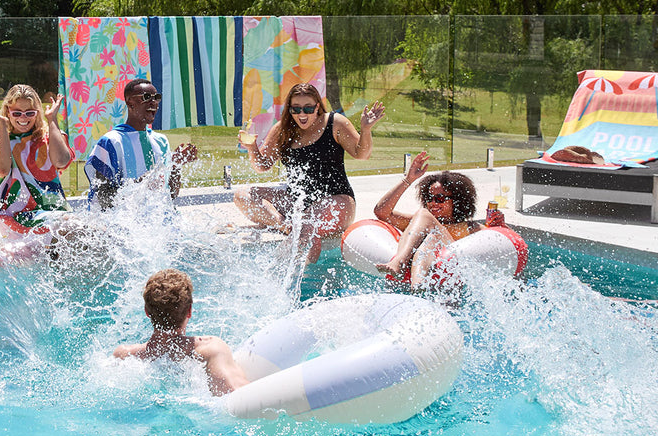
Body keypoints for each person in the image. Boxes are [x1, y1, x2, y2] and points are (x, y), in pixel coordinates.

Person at [233, 83, 385, 263]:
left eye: (308, 108)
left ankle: (280, 270)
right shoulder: (283, 129)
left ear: (317, 107)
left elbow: (362, 154)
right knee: (242, 195)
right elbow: (263, 165)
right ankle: (284, 224)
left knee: (306, 225)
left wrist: (366, 130)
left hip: (335, 202)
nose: (302, 114)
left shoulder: (335, 123)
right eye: (296, 109)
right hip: (297, 201)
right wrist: (252, 147)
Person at [113, 268, 249, 396]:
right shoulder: (211, 350)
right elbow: (240, 397)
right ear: (189, 311)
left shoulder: (124, 355)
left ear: (147, 312)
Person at [373, 152, 484, 288]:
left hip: (451, 281)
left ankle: (400, 262)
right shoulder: (418, 224)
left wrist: (500, 224)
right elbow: (381, 211)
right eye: (429, 198)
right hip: (430, 285)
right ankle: (418, 286)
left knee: (427, 222)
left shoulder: (471, 227)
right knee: (431, 238)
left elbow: (503, 243)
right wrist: (408, 179)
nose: (433, 203)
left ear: (457, 201)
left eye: (440, 198)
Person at [84, 78, 197, 209]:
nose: (153, 102)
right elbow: (104, 198)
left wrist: (175, 166)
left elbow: (170, 195)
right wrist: (145, 181)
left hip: (155, 222)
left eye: (157, 97)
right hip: (117, 223)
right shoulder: (112, 142)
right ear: (130, 103)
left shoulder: (161, 141)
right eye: (147, 97)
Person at [0, 84, 75, 234]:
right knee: (74, 230)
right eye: (17, 113)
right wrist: (2, 125)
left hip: (54, 211)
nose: (23, 118)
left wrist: (52, 119)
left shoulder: (51, 137)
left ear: (37, 113)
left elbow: (61, 161)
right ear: (8, 112)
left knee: (91, 231)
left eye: (29, 113)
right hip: (16, 216)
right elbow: (2, 170)